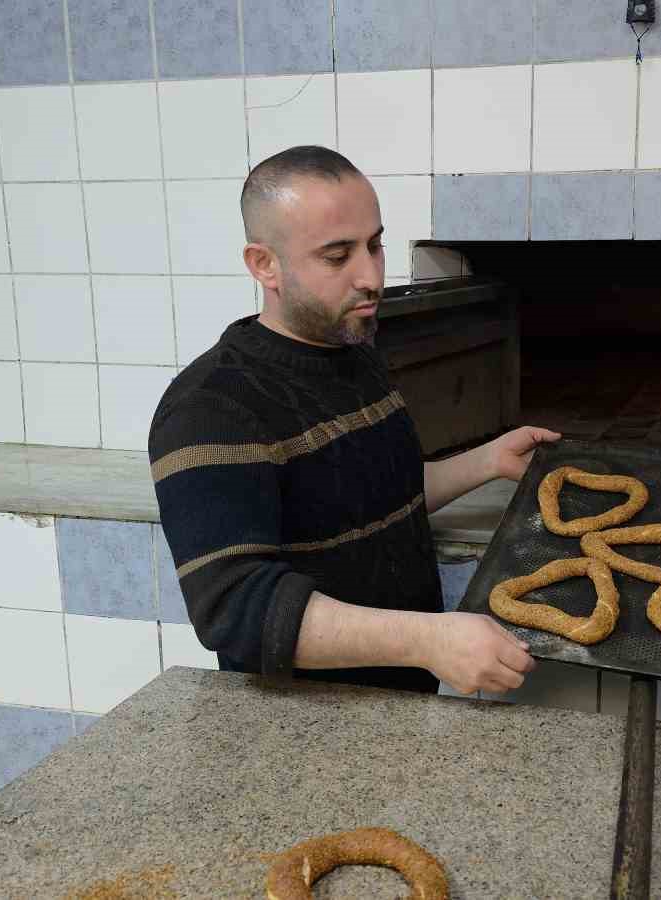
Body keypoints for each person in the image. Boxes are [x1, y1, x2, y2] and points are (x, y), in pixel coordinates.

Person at [148, 146, 558, 696]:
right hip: (303, 725)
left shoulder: (354, 354)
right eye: (338, 256)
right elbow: (237, 609)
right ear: (264, 265)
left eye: (375, 245)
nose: (371, 276)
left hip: (397, 704)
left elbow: (383, 496)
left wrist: (487, 462)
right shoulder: (212, 408)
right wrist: (427, 640)